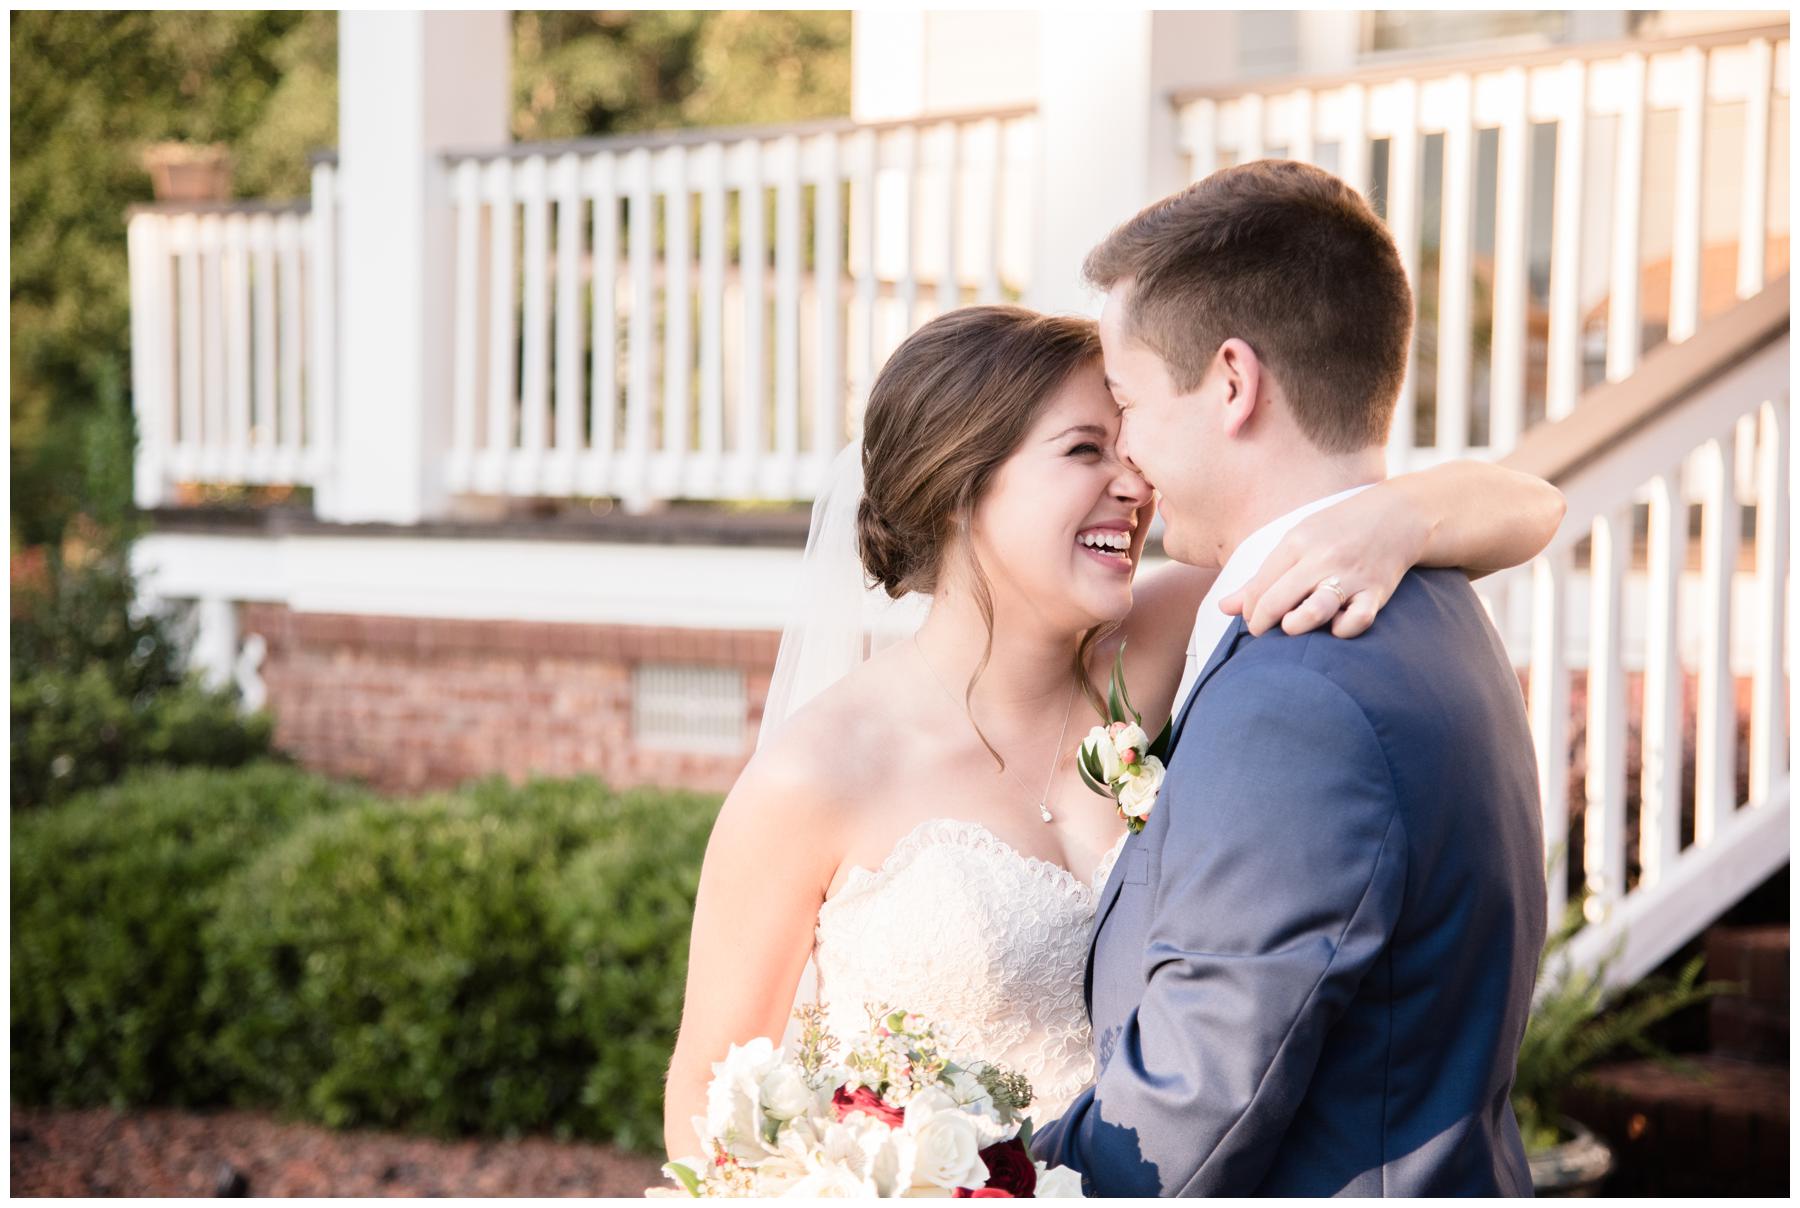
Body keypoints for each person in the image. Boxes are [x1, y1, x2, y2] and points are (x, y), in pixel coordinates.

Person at [663, 296, 1562, 1164]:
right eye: (1085, 450)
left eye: (1127, 445)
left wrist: (1395, 519)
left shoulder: (1174, 629)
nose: (1135, 485)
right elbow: (708, 1112)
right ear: (958, 487)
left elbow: (1533, 507)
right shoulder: (816, 776)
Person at [1029, 159, 1550, 1195]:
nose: (1127, 457)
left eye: (1127, 404)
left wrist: (959, 1181)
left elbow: (1187, 1115)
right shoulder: (1431, 599)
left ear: (1232, 381)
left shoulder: (1299, 694)